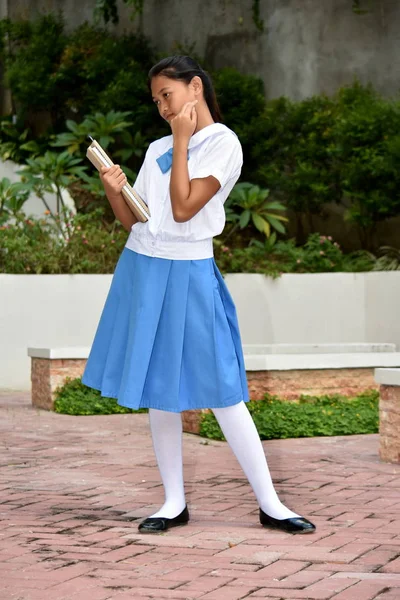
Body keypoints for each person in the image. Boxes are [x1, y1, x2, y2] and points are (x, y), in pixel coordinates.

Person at [82, 56, 316, 535]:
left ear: (194, 88)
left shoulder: (223, 143)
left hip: (190, 270)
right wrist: (113, 190)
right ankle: (172, 502)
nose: (163, 108)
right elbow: (137, 220)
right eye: (156, 101)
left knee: (224, 389)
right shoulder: (155, 147)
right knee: (160, 392)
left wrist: (184, 141)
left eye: (167, 96)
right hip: (143, 267)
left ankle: (271, 503)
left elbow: (186, 208)